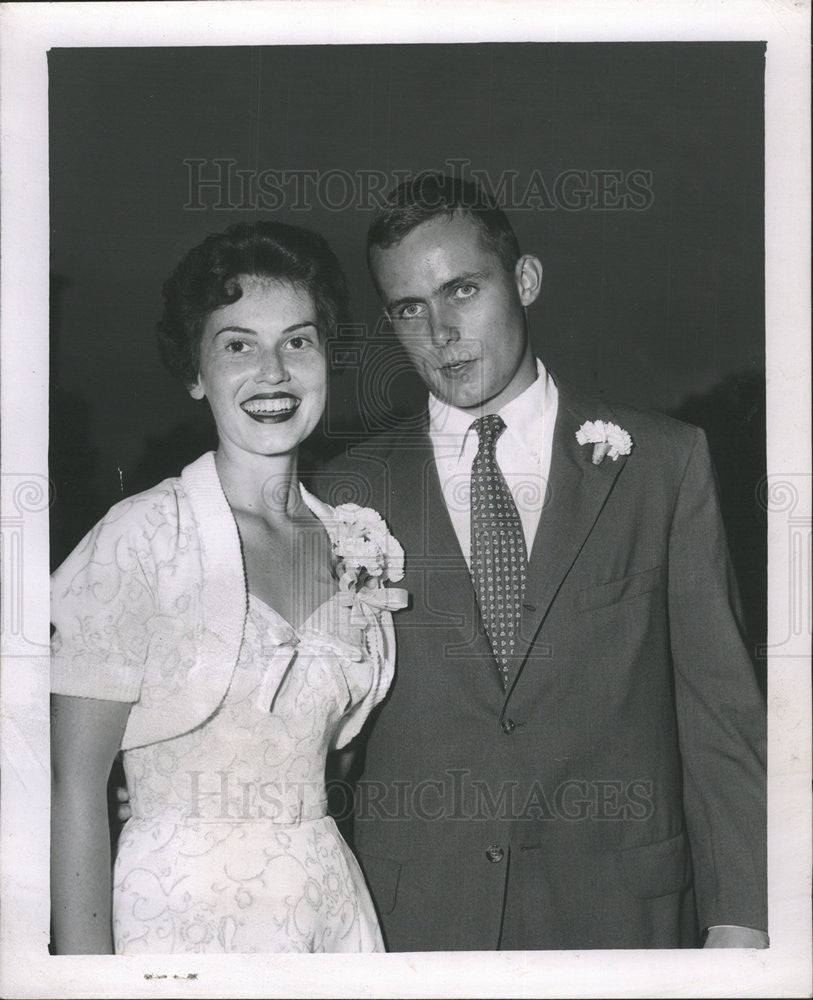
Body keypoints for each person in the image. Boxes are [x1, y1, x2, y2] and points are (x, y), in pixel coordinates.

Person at [320, 173, 768, 951]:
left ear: (524, 280)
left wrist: (742, 917)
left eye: (462, 290)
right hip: (411, 928)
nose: (440, 331)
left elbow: (720, 716)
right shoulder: (343, 491)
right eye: (408, 309)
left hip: (620, 917)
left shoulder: (662, 463)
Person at [49, 220, 405, 954]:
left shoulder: (352, 542)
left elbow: (331, 757)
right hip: (174, 922)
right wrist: (85, 981)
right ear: (193, 371)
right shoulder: (141, 538)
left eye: (297, 341)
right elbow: (75, 788)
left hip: (326, 918)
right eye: (237, 344)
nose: (272, 371)